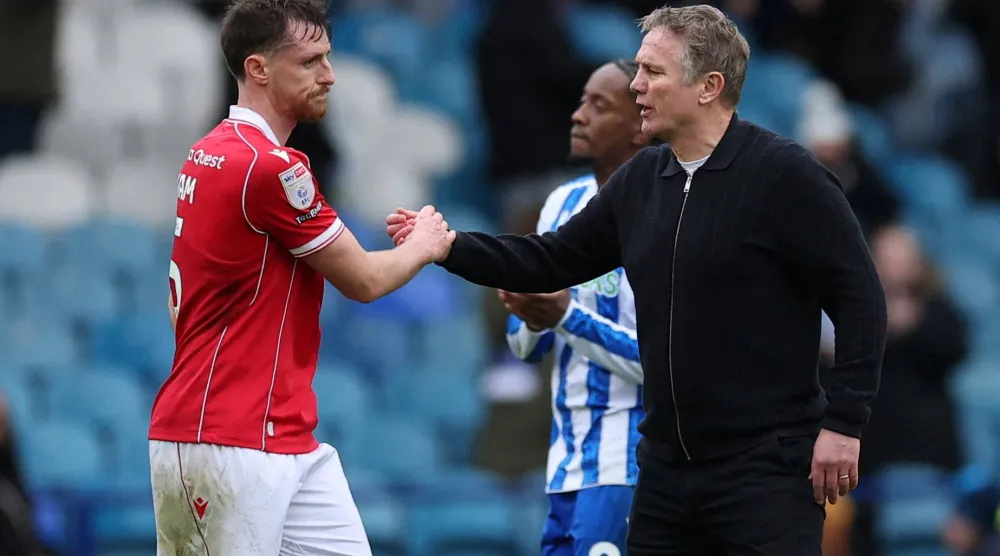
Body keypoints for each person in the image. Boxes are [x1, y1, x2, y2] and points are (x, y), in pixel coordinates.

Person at [387, 5, 887, 555]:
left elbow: (860, 299)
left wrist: (845, 423)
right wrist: (449, 246)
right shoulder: (644, 178)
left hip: (766, 471)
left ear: (708, 87)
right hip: (665, 474)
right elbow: (549, 260)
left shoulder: (787, 176)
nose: (638, 85)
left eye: (653, 72)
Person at [147, 1, 455, 554]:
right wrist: (426, 244)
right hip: (225, 441)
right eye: (311, 61)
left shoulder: (208, 154)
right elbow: (363, 280)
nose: (329, 75)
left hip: (284, 436)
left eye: (328, 58)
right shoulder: (270, 168)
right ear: (260, 69)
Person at [503, 59, 648, 556]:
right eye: (583, 100)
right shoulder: (561, 203)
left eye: (599, 105)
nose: (578, 115)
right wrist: (523, 305)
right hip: (565, 464)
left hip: (628, 466)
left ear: (639, 127)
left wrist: (565, 315)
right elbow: (525, 348)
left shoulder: (661, 214)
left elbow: (665, 362)